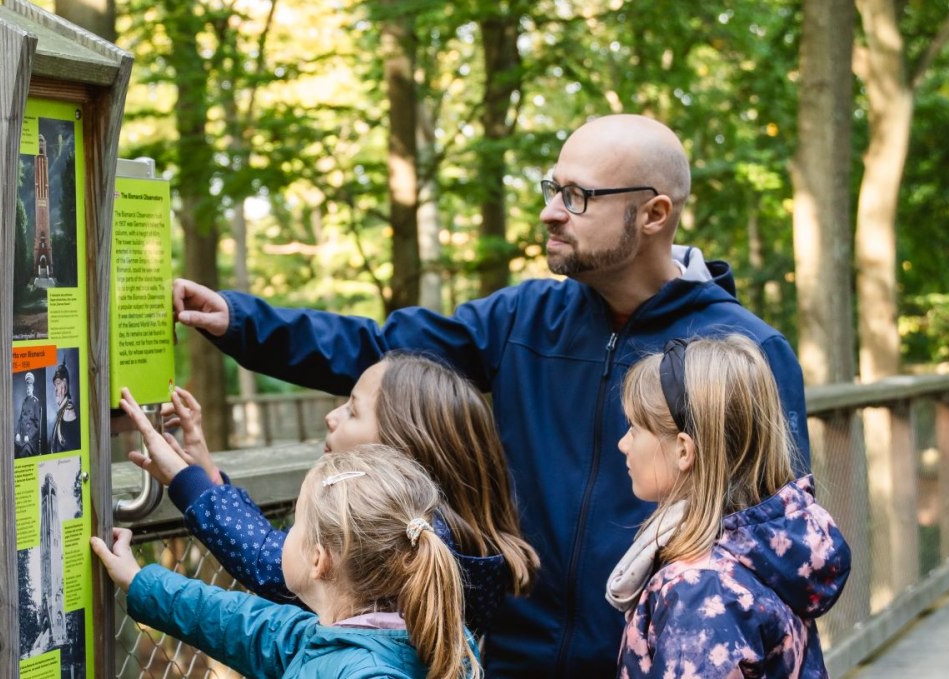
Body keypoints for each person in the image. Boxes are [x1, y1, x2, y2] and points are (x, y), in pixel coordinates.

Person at [168, 115, 810, 675]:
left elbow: (777, 544)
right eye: (553, 188)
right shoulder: (523, 319)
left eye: (579, 196)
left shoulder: (741, 353)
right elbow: (382, 351)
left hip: (662, 663)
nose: (552, 210)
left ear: (653, 214)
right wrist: (241, 321)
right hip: (515, 663)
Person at [122, 354, 540, 634]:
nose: (331, 415)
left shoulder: (400, 551)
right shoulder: (461, 544)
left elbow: (275, 563)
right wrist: (207, 472)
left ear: (402, 446)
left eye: (353, 410)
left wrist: (187, 482)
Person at [92, 442, 481, 679]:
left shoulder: (364, 670)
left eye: (296, 522)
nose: (285, 534)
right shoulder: (432, 634)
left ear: (318, 560)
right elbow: (234, 621)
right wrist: (138, 580)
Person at [608, 335, 849, 678]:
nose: (623, 443)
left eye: (635, 428)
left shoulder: (698, 590)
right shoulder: (765, 555)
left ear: (683, 450)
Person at [50, 363, 80, 453]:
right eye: (55, 385)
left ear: (65, 386)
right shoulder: (62, 411)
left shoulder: (68, 413)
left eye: (58, 383)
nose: (55, 389)